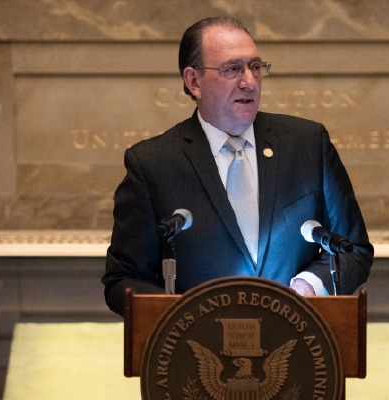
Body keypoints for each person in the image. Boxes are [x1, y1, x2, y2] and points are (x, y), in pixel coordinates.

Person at [101, 16, 373, 315]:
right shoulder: (153, 163)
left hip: (298, 342)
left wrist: (309, 285)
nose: (249, 81)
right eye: (232, 69)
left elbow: (353, 250)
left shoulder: (307, 144)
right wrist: (183, 314)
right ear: (194, 82)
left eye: (255, 67)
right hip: (196, 349)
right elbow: (123, 280)